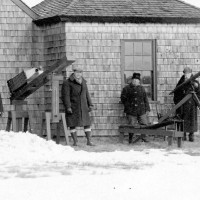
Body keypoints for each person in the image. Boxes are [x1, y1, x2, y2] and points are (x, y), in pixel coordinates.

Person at [61, 65, 94, 146]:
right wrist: (68, 106)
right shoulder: (67, 82)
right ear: (74, 72)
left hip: (83, 106)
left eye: (80, 73)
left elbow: (87, 94)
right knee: (72, 123)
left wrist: (90, 104)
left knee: (87, 123)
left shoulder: (83, 82)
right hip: (73, 106)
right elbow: (66, 96)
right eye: (77, 72)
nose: (78, 74)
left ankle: (89, 141)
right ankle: (75, 142)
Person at [121, 72, 150, 143]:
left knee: (144, 124)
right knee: (131, 126)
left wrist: (147, 109)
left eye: (137, 81)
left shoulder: (142, 89)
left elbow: (145, 99)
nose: (135, 82)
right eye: (134, 80)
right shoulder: (126, 89)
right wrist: (128, 107)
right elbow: (123, 99)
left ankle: (144, 138)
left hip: (141, 110)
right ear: (131, 80)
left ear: (139, 81)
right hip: (131, 111)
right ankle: (131, 139)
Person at [173, 67, 200, 142]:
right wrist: (177, 102)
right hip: (182, 105)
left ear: (191, 73)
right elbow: (176, 93)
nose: (186, 75)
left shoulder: (195, 83)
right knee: (182, 120)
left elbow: (199, 94)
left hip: (192, 106)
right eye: (185, 73)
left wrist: (196, 101)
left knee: (191, 121)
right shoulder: (181, 82)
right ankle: (183, 135)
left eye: (187, 73)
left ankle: (191, 135)